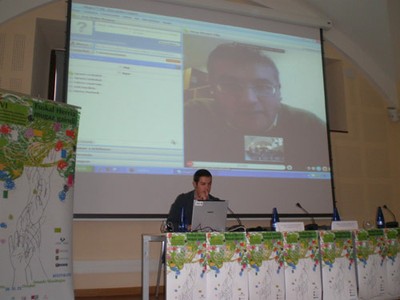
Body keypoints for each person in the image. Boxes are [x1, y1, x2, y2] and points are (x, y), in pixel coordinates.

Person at [184, 42, 328, 169]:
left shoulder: (309, 125)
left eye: (263, 87)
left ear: (279, 92)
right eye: (230, 86)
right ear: (213, 90)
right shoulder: (193, 115)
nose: (249, 100)